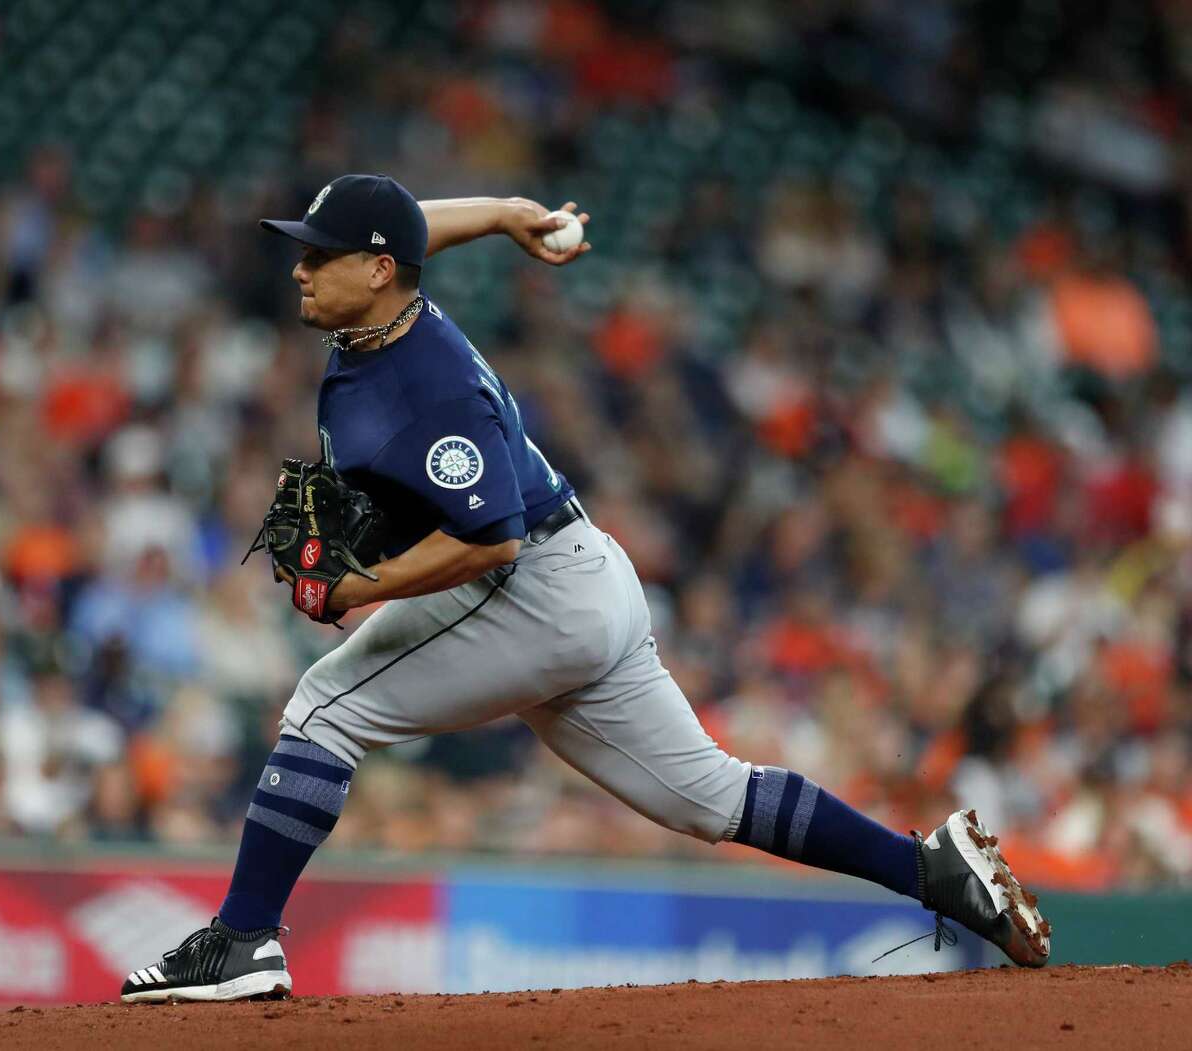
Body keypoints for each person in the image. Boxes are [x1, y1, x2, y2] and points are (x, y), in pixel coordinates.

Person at [121, 175, 1048, 1003]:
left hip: (531, 588)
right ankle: (931, 870)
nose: (299, 268)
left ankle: (242, 940)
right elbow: (409, 230)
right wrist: (501, 214)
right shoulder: (387, 301)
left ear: (372, 271)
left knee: (325, 706)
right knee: (710, 798)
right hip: (588, 579)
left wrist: (366, 584)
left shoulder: (427, 389)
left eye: (318, 255)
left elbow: (492, 540)